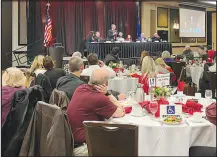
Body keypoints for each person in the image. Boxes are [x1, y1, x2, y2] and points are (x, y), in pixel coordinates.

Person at [67, 68, 125, 156]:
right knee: (121, 145)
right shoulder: (98, 98)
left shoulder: (80, 88)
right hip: (84, 147)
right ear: (106, 83)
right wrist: (107, 93)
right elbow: (120, 112)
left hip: (71, 141)